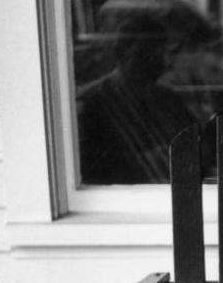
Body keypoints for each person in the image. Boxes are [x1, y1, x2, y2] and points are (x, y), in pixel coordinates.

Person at [77, 15, 195, 184]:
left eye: (161, 51)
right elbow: (91, 172)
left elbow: (197, 145)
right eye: (146, 51)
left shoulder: (169, 99)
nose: (159, 59)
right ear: (121, 53)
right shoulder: (90, 103)